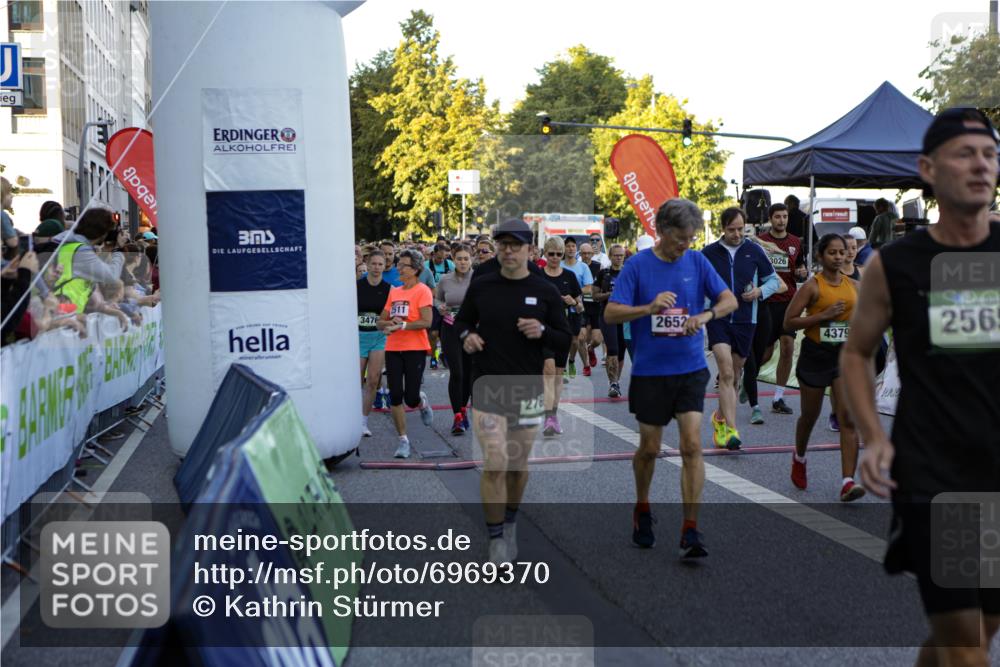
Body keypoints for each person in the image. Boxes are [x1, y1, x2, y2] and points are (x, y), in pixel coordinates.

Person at [842, 107, 1000, 666]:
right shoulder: (896, 264)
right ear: (928, 169)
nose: (981, 166)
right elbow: (857, 353)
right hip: (936, 471)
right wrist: (872, 437)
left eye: (990, 155)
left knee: (977, 631)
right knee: (965, 644)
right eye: (965, 154)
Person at [604, 198, 737, 558]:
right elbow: (611, 313)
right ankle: (642, 507)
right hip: (650, 372)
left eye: (690, 238)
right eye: (680, 238)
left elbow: (729, 300)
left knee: (692, 445)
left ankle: (690, 529)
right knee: (649, 448)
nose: (685, 245)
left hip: (690, 368)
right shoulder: (637, 265)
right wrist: (647, 309)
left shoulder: (697, 261)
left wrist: (705, 316)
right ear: (661, 231)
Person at [456, 219, 571, 564]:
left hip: (527, 385)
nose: (508, 251)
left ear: (529, 250)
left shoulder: (545, 290)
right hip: (487, 382)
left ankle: (509, 524)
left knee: (518, 465)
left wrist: (543, 331)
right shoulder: (482, 285)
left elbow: (565, 338)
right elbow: (462, 322)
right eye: (502, 244)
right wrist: (467, 337)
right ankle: (496, 542)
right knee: (495, 461)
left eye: (515, 245)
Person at [782, 233, 864, 502]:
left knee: (847, 417)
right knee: (810, 416)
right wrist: (823, 316)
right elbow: (789, 322)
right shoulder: (812, 287)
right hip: (816, 355)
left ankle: (848, 481)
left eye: (842, 252)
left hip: (843, 357)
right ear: (820, 255)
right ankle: (799, 456)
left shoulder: (854, 285)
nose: (839, 257)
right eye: (833, 252)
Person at [701, 207, 781, 448]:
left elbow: (773, 281)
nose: (737, 234)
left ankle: (719, 418)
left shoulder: (754, 250)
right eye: (731, 230)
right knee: (725, 372)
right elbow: (696, 284)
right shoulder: (708, 253)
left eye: (740, 229)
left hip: (747, 319)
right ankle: (732, 431)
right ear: (722, 229)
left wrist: (759, 292)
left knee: (735, 376)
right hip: (719, 319)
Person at [377, 249, 435, 458]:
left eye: (404, 266)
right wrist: (387, 324)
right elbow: (380, 322)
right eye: (398, 264)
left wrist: (402, 325)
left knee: (410, 398)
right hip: (393, 348)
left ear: (416, 269)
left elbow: (426, 322)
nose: (399, 268)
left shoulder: (422, 291)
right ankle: (403, 440)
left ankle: (421, 401)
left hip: (415, 348)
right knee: (395, 395)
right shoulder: (394, 291)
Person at [758, 203, 808, 414]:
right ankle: (744, 375)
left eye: (785, 216)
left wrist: (802, 272)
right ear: (771, 218)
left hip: (789, 302)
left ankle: (778, 398)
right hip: (767, 302)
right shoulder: (761, 241)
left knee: (787, 347)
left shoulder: (796, 242)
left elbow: (800, 268)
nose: (782, 220)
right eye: (777, 216)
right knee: (766, 352)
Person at [540, 236, 582, 436]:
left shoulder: (570, 276)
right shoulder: (538, 276)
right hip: (542, 330)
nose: (555, 258)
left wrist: (573, 302)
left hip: (563, 331)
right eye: (551, 254)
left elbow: (580, 307)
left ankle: (552, 416)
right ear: (545, 254)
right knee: (548, 370)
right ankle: (548, 414)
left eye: (559, 254)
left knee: (557, 375)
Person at [50, 207, 127, 312]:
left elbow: (94, 269)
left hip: (64, 308)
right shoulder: (81, 251)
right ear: (101, 232)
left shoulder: (70, 244)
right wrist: (118, 249)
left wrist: (106, 250)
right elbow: (112, 276)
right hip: (65, 310)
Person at [435, 244, 474, 435]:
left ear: (471, 260)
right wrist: (440, 306)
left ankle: (463, 409)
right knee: (457, 373)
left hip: (471, 331)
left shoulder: (478, 279)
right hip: (450, 329)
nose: (463, 262)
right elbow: (437, 299)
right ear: (453, 259)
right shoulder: (445, 279)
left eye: (466, 259)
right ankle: (457, 416)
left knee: (468, 373)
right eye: (459, 259)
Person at [358, 250, 391, 438]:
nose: (377, 267)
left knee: (372, 380)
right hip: (358, 336)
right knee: (356, 380)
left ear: (384, 266)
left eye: (380, 264)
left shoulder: (389, 289)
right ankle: (352, 418)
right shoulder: (356, 286)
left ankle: (363, 422)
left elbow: (393, 314)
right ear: (367, 264)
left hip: (378, 337)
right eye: (374, 264)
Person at [593, 244, 627, 397]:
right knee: (612, 349)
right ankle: (613, 383)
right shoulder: (603, 274)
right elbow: (595, 296)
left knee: (621, 352)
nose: (618, 258)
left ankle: (616, 382)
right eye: (615, 255)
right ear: (610, 256)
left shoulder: (629, 272)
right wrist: (609, 295)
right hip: (608, 315)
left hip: (625, 316)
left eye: (621, 255)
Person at [560, 237, 593, 380]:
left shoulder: (583, 267)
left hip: (576, 307)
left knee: (575, 340)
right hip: (560, 308)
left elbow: (588, 288)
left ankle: (572, 361)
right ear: (564, 248)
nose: (570, 248)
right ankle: (563, 368)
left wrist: (573, 293)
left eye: (573, 246)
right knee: (563, 339)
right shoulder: (559, 265)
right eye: (568, 246)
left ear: (576, 249)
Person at [577, 242, 604, 376]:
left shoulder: (599, 267)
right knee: (581, 338)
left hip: (596, 306)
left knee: (597, 340)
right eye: (584, 253)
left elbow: (603, 285)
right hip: (582, 306)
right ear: (580, 254)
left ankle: (591, 348)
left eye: (589, 253)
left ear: (593, 254)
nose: (586, 256)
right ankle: (586, 365)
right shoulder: (577, 267)